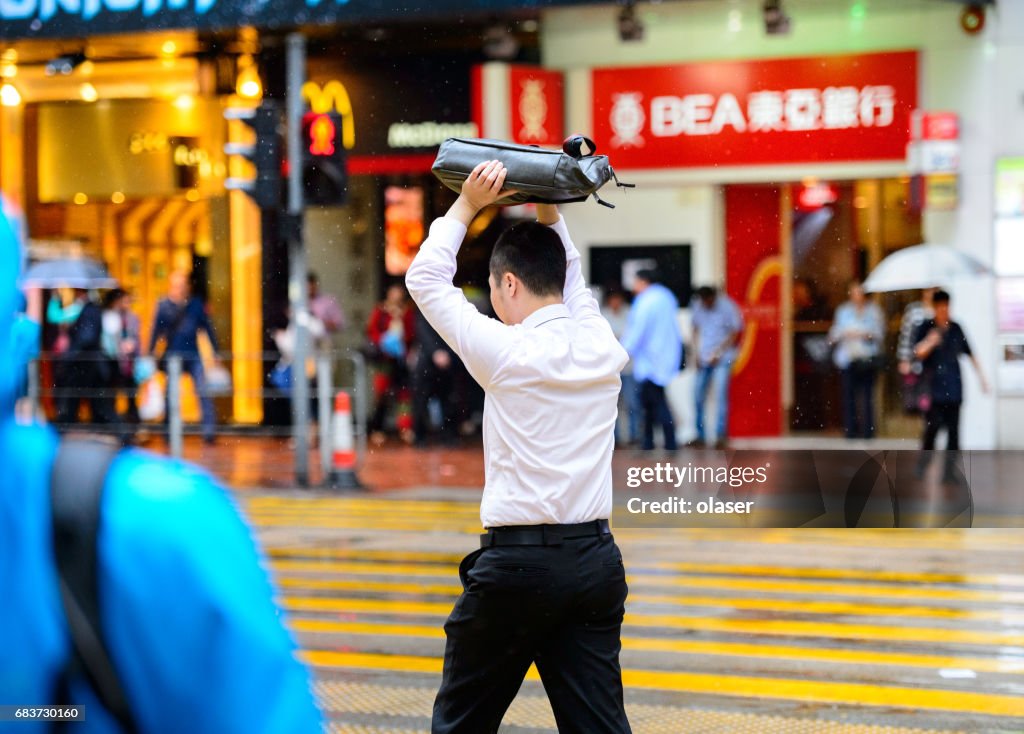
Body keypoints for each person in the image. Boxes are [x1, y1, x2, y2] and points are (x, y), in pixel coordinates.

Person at [0, 212, 323, 733]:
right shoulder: (162, 525)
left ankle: (207, 429)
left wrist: (203, 352)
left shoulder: (148, 529)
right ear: (20, 336)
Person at [406, 160, 632, 734]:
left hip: (518, 569)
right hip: (594, 563)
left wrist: (467, 205)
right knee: (599, 727)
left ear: (508, 283)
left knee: (461, 724)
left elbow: (426, 279)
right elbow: (573, 281)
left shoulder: (505, 352)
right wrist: (550, 207)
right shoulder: (600, 344)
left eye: (496, 290)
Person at [913, 289, 989, 475]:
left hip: (954, 387)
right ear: (934, 308)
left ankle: (949, 472)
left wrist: (982, 379)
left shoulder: (956, 328)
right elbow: (917, 352)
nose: (944, 310)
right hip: (934, 388)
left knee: (954, 434)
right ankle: (923, 465)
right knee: (932, 430)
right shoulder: (926, 326)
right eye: (940, 307)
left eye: (946, 306)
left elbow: (971, 353)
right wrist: (931, 342)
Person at [148, 270, 220, 444]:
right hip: (173, 356)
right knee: (171, 394)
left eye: (182, 285)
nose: (179, 288)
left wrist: (216, 351)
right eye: (176, 285)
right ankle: (168, 432)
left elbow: (207, 327)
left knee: (203, 392)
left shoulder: (195, 304)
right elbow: (156, 331)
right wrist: (149, 353)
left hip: (193, 355)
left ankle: (209, 432)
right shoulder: (164, 305)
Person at [621, 269, 683, 451]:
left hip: (650, 360)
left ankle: (667, 443)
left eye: (635, 282)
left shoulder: (646, 301)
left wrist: (622, 352)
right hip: (663, 357)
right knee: (650, 403)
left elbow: (637, 330)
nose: (633, 287)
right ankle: (650, 442)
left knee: (655, 403)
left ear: (643, 282)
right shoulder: (666, 297)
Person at [828, 281, 884, 439]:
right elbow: (836, 332)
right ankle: (851, 430)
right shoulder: (843, 311)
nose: (857, 296)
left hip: (867, 358)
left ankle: (868, 431)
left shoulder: (873, 311)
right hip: (849, 357)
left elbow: (879, 333)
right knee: (849, 396)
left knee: (867, 396)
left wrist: (863, 334)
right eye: (854, 293)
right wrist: (845, 333)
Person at [690, 285, 744, 449]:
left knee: (721, 396)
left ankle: (721, 435)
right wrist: (696, 353)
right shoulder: (698, 305)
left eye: (708, 300)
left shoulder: (727, 306)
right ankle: (700, 435)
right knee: (697, 395)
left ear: (714, 297)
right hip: (704, 356)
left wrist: (719, 352)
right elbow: (695, 328)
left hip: (722, 358)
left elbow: (735, 332)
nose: (706, 304)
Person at [365, 283, 416, 444]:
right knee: (381, 395)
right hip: (384, 359)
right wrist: (384, 341)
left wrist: (401, 342)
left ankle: (405, 428)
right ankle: (377, 429)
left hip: (401, 360)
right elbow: (372, 331)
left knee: (404, 395)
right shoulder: (380, 311)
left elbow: (411, 333)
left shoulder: (407, 312)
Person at [55, 289, 113, 427]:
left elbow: (87, 337)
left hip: (87, 365)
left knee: (98, 405)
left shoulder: (90, 309)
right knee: (95, 404)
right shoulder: (88, 309)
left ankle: (65, 429)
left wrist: (71, 352)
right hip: (86, 365)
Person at [411, 310, 459, 447]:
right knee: (421, 400)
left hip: (449, 361)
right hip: (427, 362)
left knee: (449, 401)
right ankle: (420, 437)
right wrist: (435, 352)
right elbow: (422, 332)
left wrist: (449, 353)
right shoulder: (424, 310)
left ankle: (449, 436)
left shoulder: (452, 311)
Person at [101, 288, 141, 442]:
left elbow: (137, 339)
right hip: (115, 363)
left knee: (132, 398)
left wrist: (133, 347)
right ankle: (116, 430)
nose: (126, 304)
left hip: (130, 364)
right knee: (112, 397)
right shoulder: (109, 317)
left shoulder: (132, 318)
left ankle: (132, 431)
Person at [602, 288, 640, 446]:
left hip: (629, 367)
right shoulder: (603, 315)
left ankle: (634, 436)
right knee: (612, 405)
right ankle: (614, 439)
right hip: (611, 368)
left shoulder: (631, 314)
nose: (615, 303)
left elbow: (631, 337)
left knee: (632, 403)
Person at [307, 271, 345, 352]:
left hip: (323, 342)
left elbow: (339, 324)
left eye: (311, 285)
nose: (309, 288)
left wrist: (320, 323)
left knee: (324, 363)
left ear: (316, 284)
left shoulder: (328, 301)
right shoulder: (297, 303)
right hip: (304, 344)